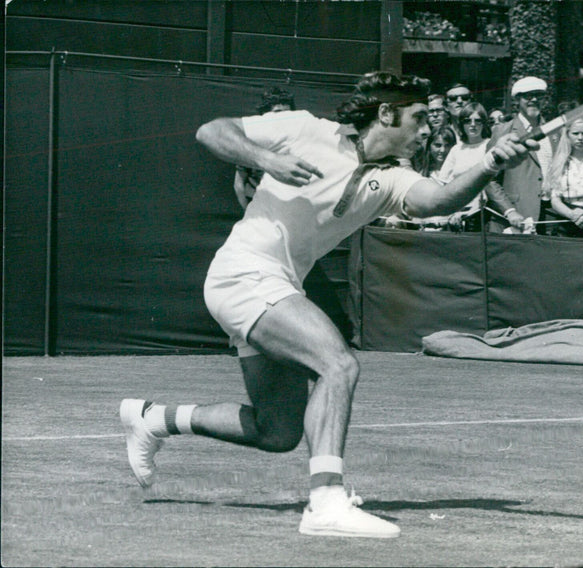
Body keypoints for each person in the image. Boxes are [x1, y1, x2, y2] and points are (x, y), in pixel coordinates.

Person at [118, 70, 536, 539]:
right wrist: (264, 159)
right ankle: (326, 503)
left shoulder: (393, 177)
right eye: (418, 118)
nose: (427, 130)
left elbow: (437, 200)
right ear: (386, 113)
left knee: (276, 431)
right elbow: (212, 131)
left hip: (276, 284)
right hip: (243, 272)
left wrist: (488, 165)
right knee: (337, 364)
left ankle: (153, 418)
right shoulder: (303, 128)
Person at [484, 76, 554, 233]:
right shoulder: (503, 131)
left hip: (548, 217)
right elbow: (489, 178)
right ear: (517, 99)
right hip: (514, 219)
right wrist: (509, 211)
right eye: (528, 96)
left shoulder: (553, 131)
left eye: (539, 95)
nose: (534, 100)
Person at [233, 87, 297, 208]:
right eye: (278, 112)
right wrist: (247, 211)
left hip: (289, 205)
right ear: (265, 114)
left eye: (287, 113)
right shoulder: (252, 140)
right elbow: (239, 183)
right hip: (257, 202)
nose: (283, 117)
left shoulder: (299, 139)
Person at [436, 102, 493, 228]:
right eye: (468, 121)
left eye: (478, 121)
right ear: (462, 124)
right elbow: (443, 183)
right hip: (456, 212)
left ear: (484, 123)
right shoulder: (456, 149)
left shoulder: (490, 146)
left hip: (483, 214)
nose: (473, 125)